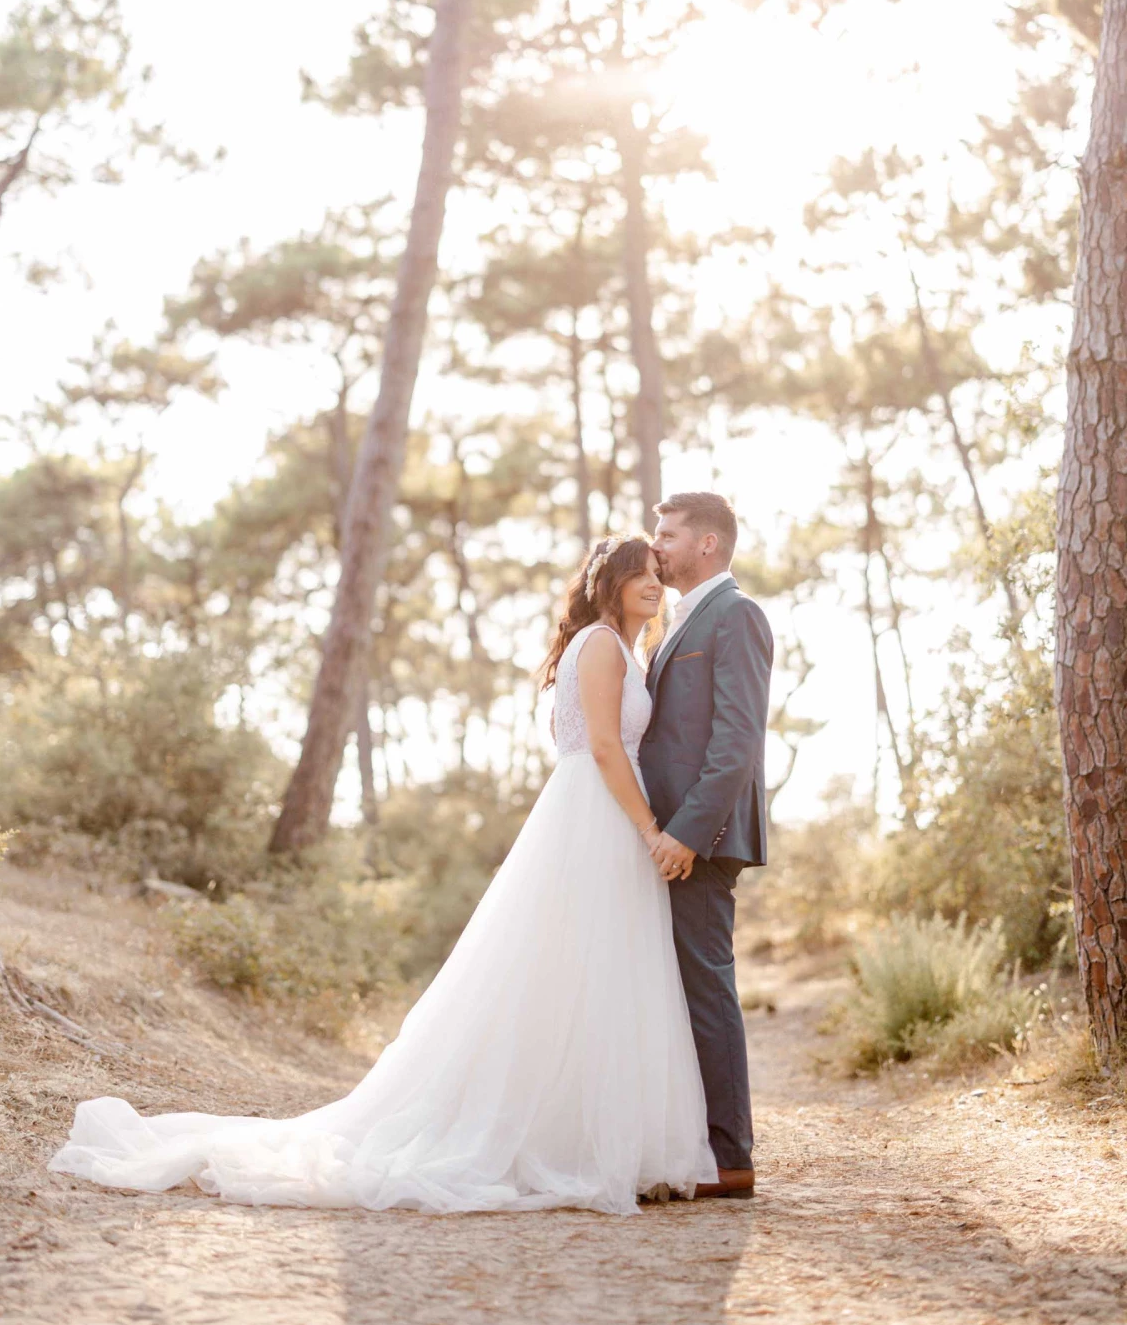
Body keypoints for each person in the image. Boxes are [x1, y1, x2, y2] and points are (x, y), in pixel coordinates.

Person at [48, 536, 718, 1215]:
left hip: (598, 815)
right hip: (598, 817)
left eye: (657, 574)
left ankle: (599, 1138)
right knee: (582, 971)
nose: (653, 584)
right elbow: (604, 746)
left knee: (594, 975)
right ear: (609, 582)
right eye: (638, 574)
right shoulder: (602, 645)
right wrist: (650, 830)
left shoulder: (626, 650)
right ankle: (568, 1142)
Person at [644, 492, 773, 1199]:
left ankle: (731, 1158)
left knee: (705, 989)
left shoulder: (737, 616)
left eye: (667, 534)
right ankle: (688, 1142)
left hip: (700, 837)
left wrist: (688, 835)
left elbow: (735, 745)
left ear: (708, 545)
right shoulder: (675, 622)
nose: (654, 545)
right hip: (662, 835)